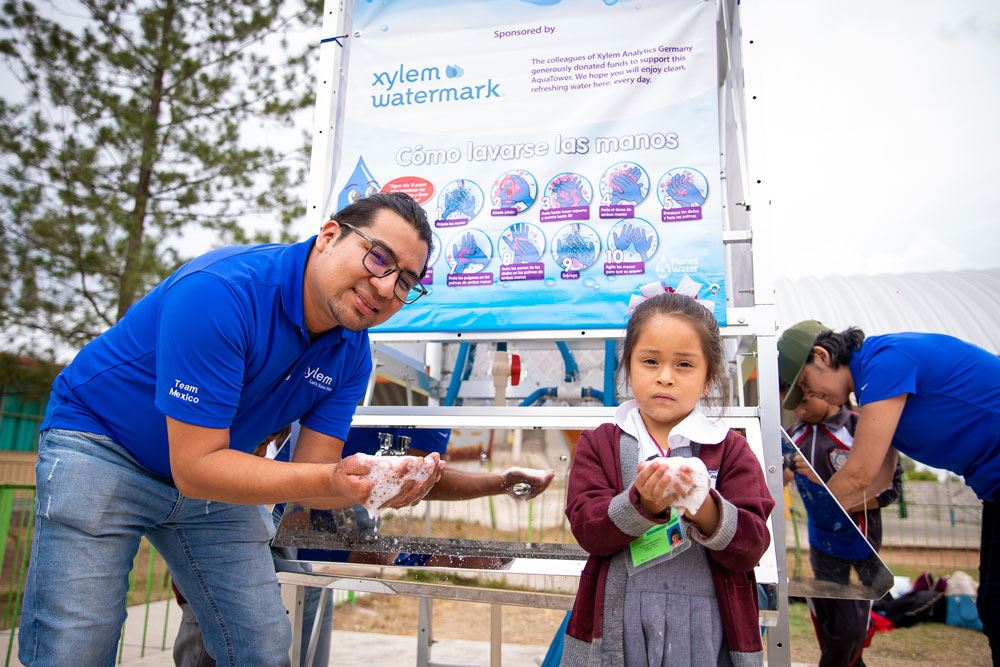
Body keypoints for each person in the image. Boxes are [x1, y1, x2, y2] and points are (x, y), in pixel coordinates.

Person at [19, 192, 448, 666]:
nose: (387, 287)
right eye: (379, 257)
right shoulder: (223, 290)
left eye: (406, 280)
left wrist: (371, 486)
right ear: (329, 236)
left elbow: (315, 477)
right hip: (104, 445)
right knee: (77, 644)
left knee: (261, 646)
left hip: (217, 469)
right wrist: (332, 479)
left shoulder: (352, 352)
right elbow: (198, 467)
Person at [173, 423, 556, 667]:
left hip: (301, 521)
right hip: (251, 509)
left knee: (291, 628)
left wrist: (500, 483)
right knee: (221, 629)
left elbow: (417, 481)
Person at [560, 292, 774, 666]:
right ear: (628, 369)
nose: (665, 377)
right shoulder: (600, 444)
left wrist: (703, 506)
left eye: (685, 365)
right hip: (618, 627)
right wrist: (644, 504)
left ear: (708, 379)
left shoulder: (730, 449)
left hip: (706, 628)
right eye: (650, 361)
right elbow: (587, 528)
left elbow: (752, 545)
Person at [778, 321, 1000, 661]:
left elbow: (859, 475)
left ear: (821, 356)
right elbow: (879, 480)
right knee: (993, 605)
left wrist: (819, 517)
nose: (812, 398)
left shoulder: (885, 360)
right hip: (993, 488)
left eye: (808, 386)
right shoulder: (874, 392)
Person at [782, 392, 903, 667]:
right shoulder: (792, 435)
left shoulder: (860, 427)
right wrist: (783, 475)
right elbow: (779, 476)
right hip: (819, 547)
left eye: (803, 401)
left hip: (861, 546)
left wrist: (829, 487)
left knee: (850, 630)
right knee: (829, 629)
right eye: (791, 406)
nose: (799, 411)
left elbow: (892, 486)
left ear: (819, 390)